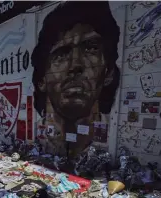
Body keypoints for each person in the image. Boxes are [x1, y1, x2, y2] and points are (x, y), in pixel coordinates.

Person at [31, 1, 120, 157]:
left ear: (109, 72)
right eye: (61, 54)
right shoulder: (35, 136)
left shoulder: (114, 134)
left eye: (91, 49)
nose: (75, 65)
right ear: (42, 80)